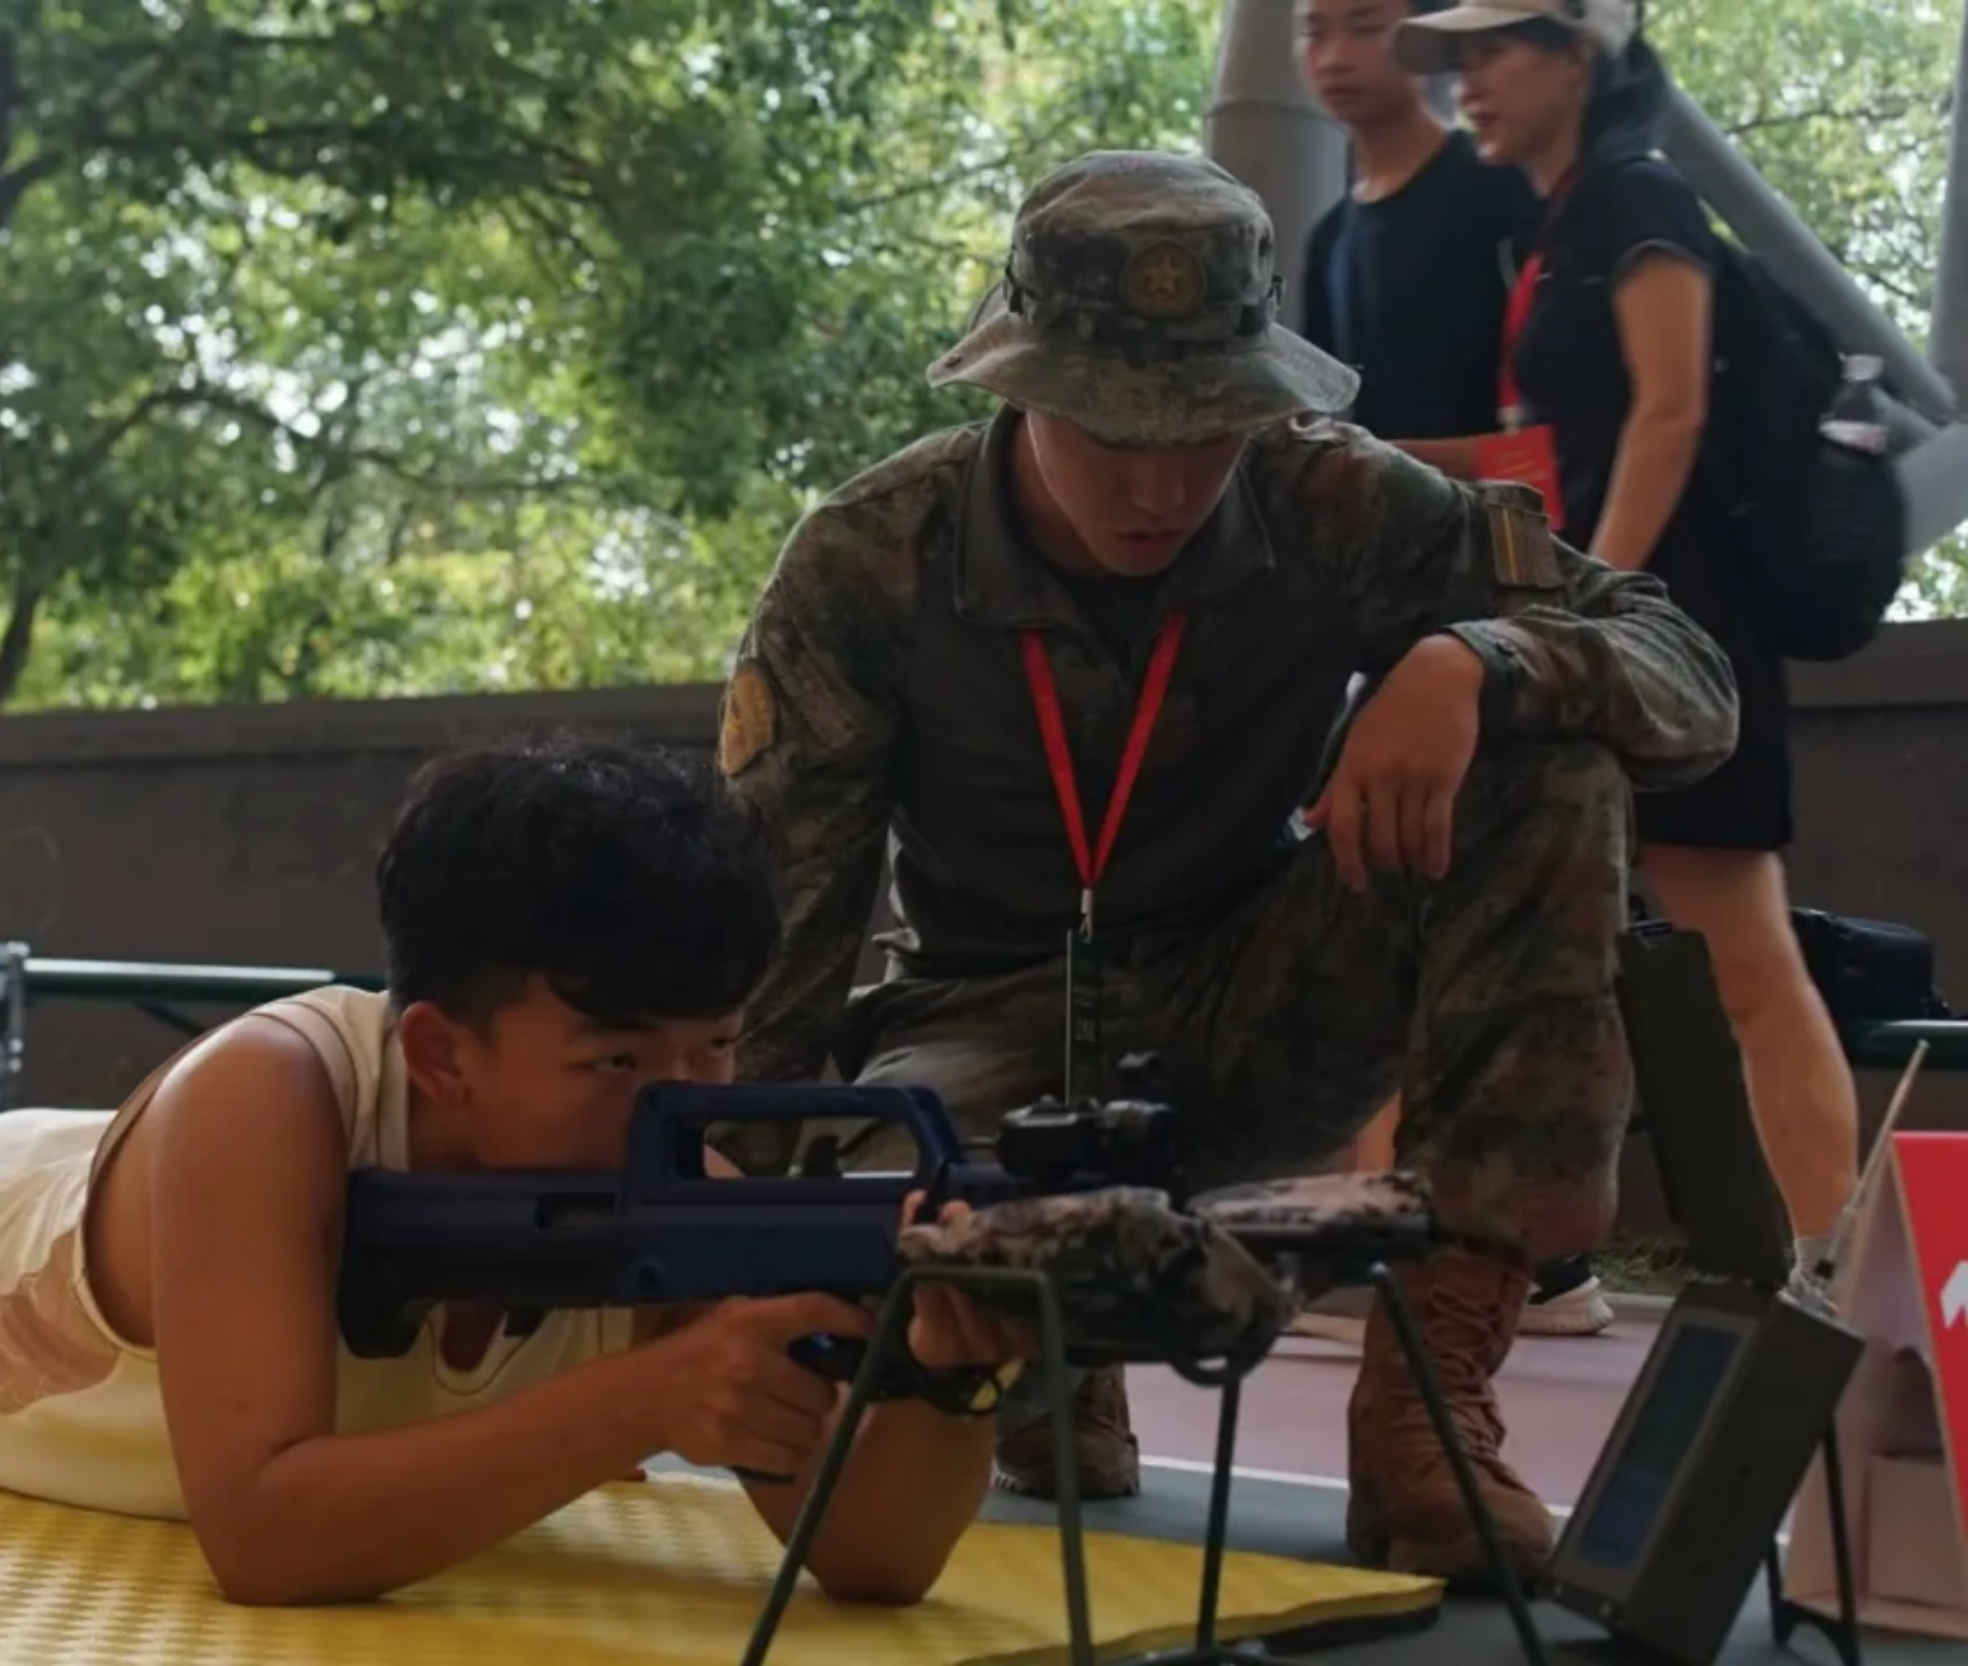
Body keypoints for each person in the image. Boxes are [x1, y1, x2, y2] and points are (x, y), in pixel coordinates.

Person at [712, 148, 1737, 1581]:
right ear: (1018, 388)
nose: (1162, 484)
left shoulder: (1333, 500)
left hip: (1258, 999)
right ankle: (1048, 1356)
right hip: (986, 1029)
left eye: (1206, 428)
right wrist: (745, 1224)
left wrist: (1473, 660)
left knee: (1547, 755)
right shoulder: (871, 558)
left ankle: (1429, 1401)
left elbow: (1690, 676)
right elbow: (775, 924)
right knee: (908, 1273)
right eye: (1111, 431)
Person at [0, 738, 1031, 1608]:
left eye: (716, 1045)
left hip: (139, 1218)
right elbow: (266, 1532)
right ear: (441, 1053)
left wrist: (952, 1376)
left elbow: (874, 1559)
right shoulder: (277, 1087)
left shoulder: (678, 1160)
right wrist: (647, 1396)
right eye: (618, 1060)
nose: (684, 1100)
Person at [1394, 0, 1860, 1287]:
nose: (1467, 80)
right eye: (1459, 55)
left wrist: (1593, 609)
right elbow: (1553, 452)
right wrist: (1357, 450)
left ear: (1578, 53)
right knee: (1583, 960)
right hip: (1611, 642)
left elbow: (1669, 413)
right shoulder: (1565, 227)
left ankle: (1839, 1272)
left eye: (1496, 48)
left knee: (1745, 963)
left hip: (1675, 645)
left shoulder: (1636, 197)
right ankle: (1519, 1262)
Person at [1295, 0, 1613, 1340]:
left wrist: (1384, 472)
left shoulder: (1494, 203)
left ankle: (1507, 1249)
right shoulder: (1329, 236)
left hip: (1506, 618)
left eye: (1365, 23)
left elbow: (1541, 433)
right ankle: (1391, 1229)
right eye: (1311, 26)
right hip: (1370, 628)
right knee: (1382, 900)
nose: (1333, 53)